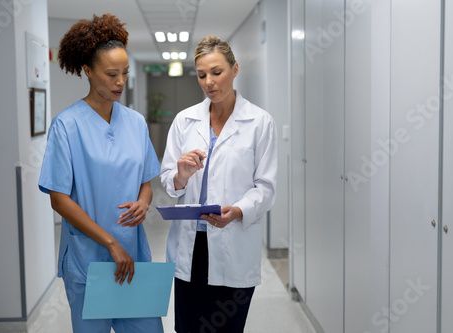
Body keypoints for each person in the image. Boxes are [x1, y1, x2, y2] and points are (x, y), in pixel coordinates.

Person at [38, 14, 163, 333]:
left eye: (124, 73)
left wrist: (144, 202)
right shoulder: (66, 126)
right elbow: (58, 198)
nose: (120, 82)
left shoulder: (135, 123)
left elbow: (145, 184)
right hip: (89, 257)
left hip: (132, 254)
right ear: (88, 71)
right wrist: (110, 243)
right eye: (111, 74)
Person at [160, 35, 278, 333]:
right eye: (202, 75)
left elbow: (266, 187)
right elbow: (168, 182)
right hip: (191, 244)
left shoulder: (260, 122)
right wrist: (182, 174)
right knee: (188, 328)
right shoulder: (184, 120)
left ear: (235, 69)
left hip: (233, 242)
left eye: (217, 72)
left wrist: (237, 211)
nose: (209, 82)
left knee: (227, 328)